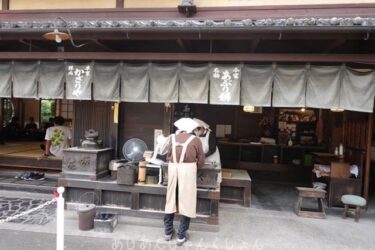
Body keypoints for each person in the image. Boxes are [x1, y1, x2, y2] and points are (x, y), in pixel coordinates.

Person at [164, 118, 205, 246]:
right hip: (188, 172)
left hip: (173, 170)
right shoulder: (196, 140)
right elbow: (201, 160)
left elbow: (168, 155)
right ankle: (181, 235)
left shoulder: (172, 139)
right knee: (187, 201)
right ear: (191, 129)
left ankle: (168, 232)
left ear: (180, 128)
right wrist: (193, 166)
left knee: (171, 199)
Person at [193, 118, 222, 184]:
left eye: (197, 130)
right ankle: (203, 183)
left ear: (202, 128)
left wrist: (203, 156)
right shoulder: (197, 135)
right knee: (203, 170)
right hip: (203, 156)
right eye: (194, 131)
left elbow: (212, 149)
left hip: (212, 155)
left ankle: (214, 183)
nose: (196, 132)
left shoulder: (211, 134)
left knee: (213, 171)